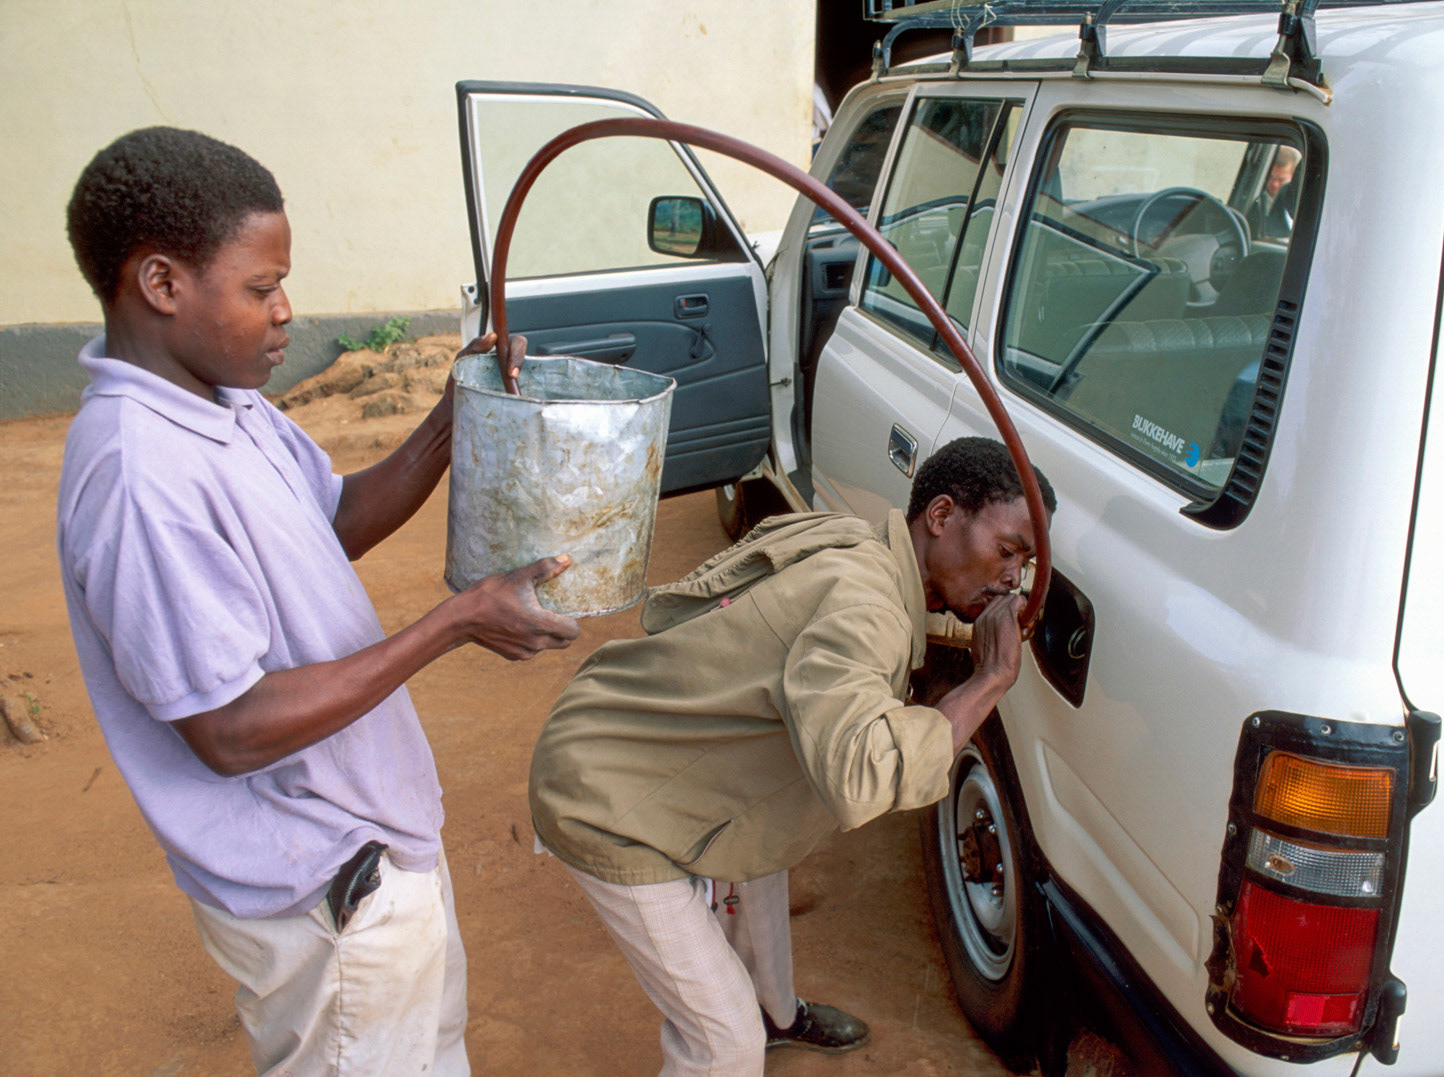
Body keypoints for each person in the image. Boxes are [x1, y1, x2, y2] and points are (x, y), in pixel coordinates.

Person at [56, 126, 580, 1075]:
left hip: (377, 855)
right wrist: (455, 622)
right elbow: (230, 729)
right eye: (261, 288)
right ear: (163, 283)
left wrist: (447, 419)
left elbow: (327, 521)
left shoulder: (226, 401)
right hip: (325, 898)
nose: (287, 310)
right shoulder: (143, 476)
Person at [528, 436, 1057, 1076]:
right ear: (941, 517)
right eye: (1007, 552)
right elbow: (863, 775)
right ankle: (749, 1024)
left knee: (761, 864)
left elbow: (858, 637)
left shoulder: (858, 543)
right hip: (606, 801)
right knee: (723, 1044)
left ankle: (775, 1010)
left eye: (1024, 567)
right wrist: (990, 679)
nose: (1012, 579)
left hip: (631, 731)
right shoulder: (868, 610)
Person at [1246, 143, 1302, 240]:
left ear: (1292, 175)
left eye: (1281, 179)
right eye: (1271, 177)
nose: (1275, 184)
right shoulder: (1254, 195)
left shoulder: (1294, 202)